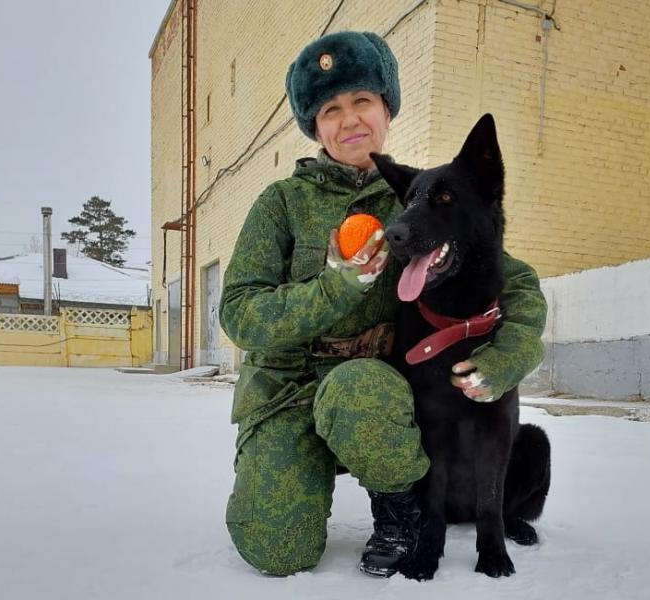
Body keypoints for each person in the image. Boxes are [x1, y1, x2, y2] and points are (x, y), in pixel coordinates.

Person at [218, 30, 547, 577]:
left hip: (376, 398)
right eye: (330, 109)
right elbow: (238, 312)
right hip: (287, 392)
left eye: (362, 101)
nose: (349, 120)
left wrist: (509, 354)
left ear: (386, 108)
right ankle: (287, 464)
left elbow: (513, 280)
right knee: (276, 552)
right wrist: (333, 287)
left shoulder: (415, 193)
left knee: (363, 386)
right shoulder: (281, 204)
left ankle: (400, 511)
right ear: (313, 125)